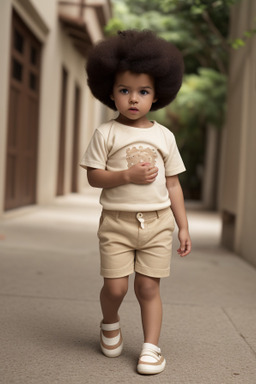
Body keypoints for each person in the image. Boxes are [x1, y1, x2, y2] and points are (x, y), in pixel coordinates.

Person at [80, 29, 192, 375]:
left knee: (147, 286)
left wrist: (183, 225)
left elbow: (172, 184)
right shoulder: (106, 133)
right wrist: (125, 176)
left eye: (142, 92)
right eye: (124, 90)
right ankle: (109, 321)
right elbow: (94, 176)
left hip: (158, 222)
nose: (133, 99)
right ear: (110, 93)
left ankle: (150, 347)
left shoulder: (164, 136)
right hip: (117, 222)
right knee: (115, 287)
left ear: (157, 95)